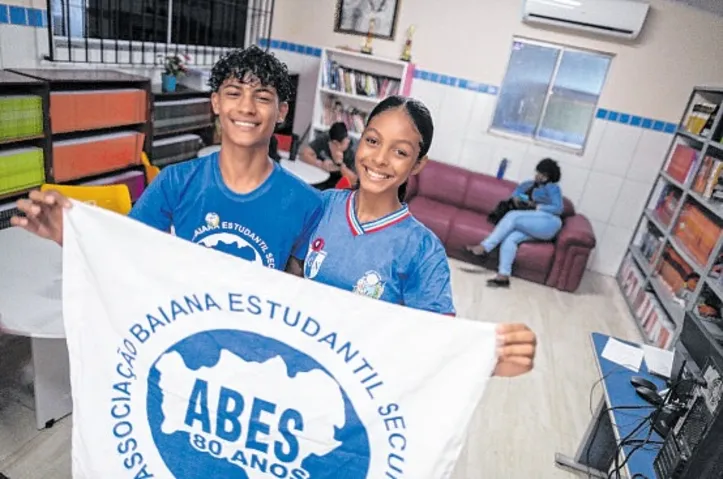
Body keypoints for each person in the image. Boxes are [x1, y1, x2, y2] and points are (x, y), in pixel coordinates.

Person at [11, 45, 322, 274]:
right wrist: (73, 237)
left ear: (281, 112)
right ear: (215, 102)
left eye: (263, 97)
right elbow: (128, 249)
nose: (246, 107)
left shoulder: (307, 202)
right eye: (233, 93)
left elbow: (300, 291)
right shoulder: (176, 181)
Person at [299, 95, 537, 378]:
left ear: (417, 164)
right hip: (297, 370)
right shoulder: (322, 206)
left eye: (399, 152)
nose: (379, 159)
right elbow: (286, 282)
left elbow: (436, 339)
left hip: (356, 388)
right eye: (372, 141)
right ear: (359, 141)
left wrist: (488, 357)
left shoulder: (423, 250)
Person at [466, 158, 564, 288]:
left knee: (512, 216)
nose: (540, 176)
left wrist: (536, 207)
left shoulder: (552, 188)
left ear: (550, 176)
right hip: (530, 222)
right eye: (539, 172)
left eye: (544, 175)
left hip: (548, 222)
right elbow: (515, 195)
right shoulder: (528, 184)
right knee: (510, 238)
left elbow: (558, 208)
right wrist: (517, 199)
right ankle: (503, 277)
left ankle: (485, 247)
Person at [300, 122, 358, 190]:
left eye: (342, 144)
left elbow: (354, 181)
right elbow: (304, 154)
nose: (338, 147)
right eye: (334, 144)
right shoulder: (326, 137)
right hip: (322, 178)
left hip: (341, 186)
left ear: (347, 140)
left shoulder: (354, 150)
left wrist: (340, 165)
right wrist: (320, 164)